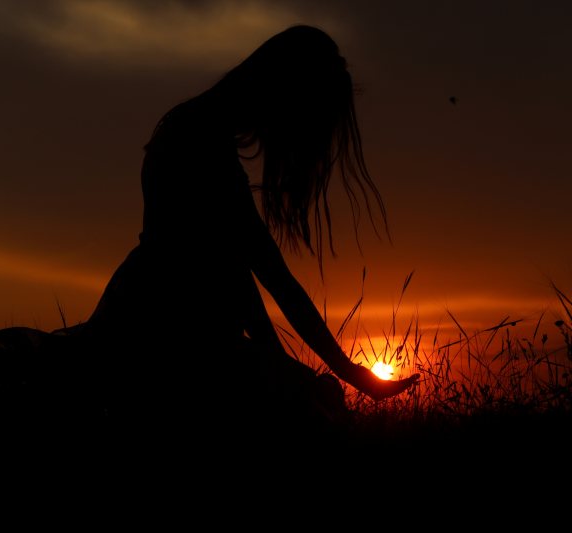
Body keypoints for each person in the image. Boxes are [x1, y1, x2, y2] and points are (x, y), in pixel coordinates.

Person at [79, 25, 419, 427]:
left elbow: (234, 268)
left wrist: (278, 360)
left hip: (164, 319)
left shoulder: (190, 129)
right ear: (286, 93)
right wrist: (348, 374)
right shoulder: (201, 144)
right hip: (170, 335)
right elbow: (268, 275)